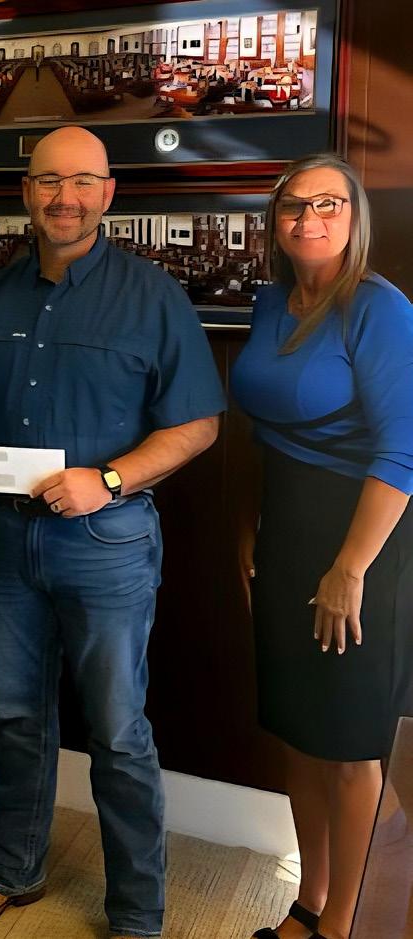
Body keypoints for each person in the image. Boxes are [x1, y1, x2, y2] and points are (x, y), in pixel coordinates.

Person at [0, 126, 224, 938]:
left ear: (109, 193)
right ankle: (10, 868)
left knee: (118, 730)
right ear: (27, 192)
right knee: (18, 715)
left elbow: (199, 423)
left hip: (106, 543)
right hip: (4, 539)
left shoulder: (152, 296)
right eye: (50, 182)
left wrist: (110, 480)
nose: (66, 198)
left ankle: (136, 911)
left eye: (83, 182)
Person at [232, 154, 413, 939]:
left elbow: (404, 449)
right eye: (294, 205)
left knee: (348, 747)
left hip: (362, 546)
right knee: (298, 734)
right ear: (275, 219)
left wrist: (350, 567)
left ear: (355, 215)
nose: (309, 219)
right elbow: (262, 430)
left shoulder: (380, 309)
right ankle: (309, 899)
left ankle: (343, 922)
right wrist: (248, 526)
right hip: (284, 533)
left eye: (328, 204)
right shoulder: (271, 302)